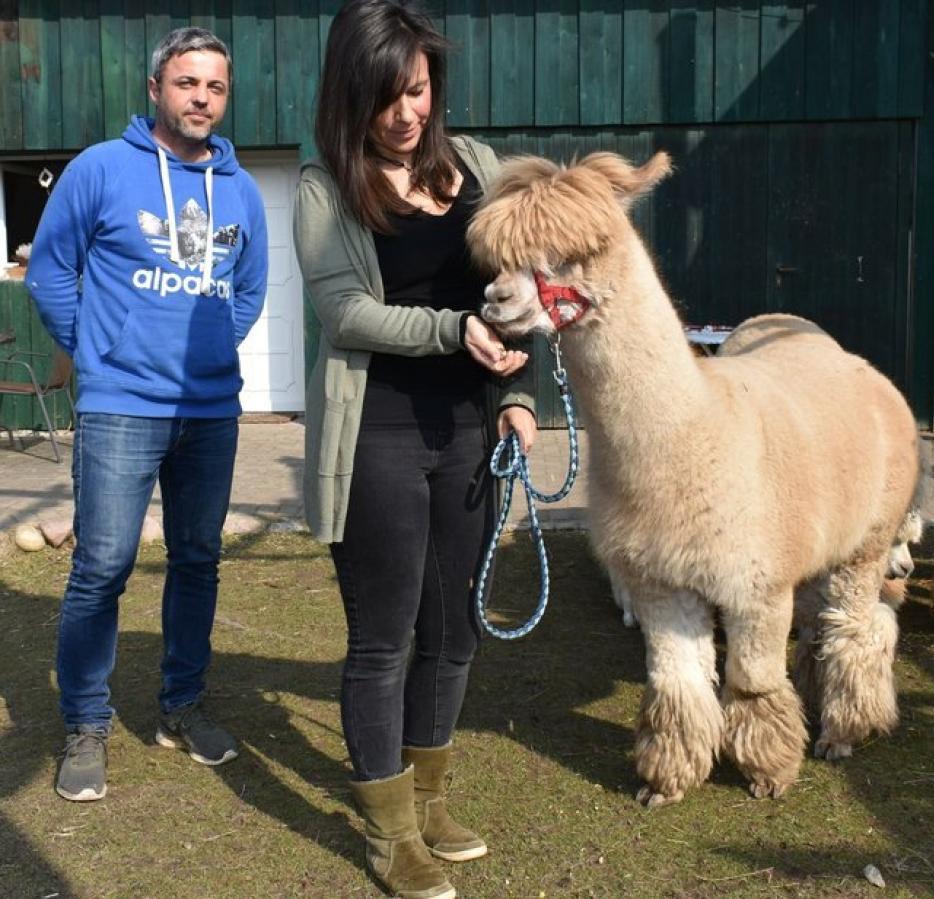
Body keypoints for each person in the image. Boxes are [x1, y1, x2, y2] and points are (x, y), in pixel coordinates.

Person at [293, 2, 536, 897]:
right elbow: (345, 312)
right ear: (353, 95)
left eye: (420, 90)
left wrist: (517, 391)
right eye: (389, 96)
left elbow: (518, 291)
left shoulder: (477, 166)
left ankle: (428, 796)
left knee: (456, 629)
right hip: (380, 435)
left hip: (470, 432)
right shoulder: (327, 186)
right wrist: (455, 331)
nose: (407, 113)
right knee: (385, 637)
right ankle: (392, 835)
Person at [26, 27, 269, 802]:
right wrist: (98, 352)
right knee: (102, 567)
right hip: (121, 406)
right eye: (187, 82)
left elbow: (251, 289)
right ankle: (86, 723)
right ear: (156, 88)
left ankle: (182, 705)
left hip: (210, 411)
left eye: (216, 87)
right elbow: (50, 272)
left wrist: (204, 354)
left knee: (198, 557)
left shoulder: (240, 190)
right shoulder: (101, 169)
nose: (202, 97)